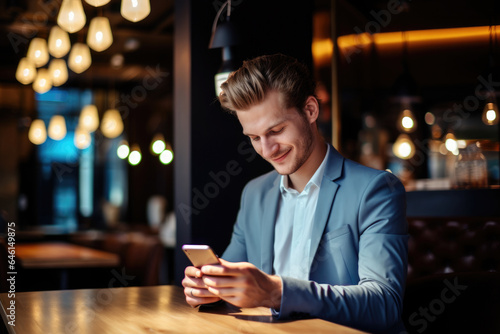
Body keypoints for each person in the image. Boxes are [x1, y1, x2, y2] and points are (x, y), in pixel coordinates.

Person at [182, 54, 408, 334]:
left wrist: (276, 291)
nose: (267, 149)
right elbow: (230, 278)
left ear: (311, 110)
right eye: (253, 138)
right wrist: (209, 288)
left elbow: (384, 305)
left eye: (276, 130)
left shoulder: (376, 190)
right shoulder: (255, 194)